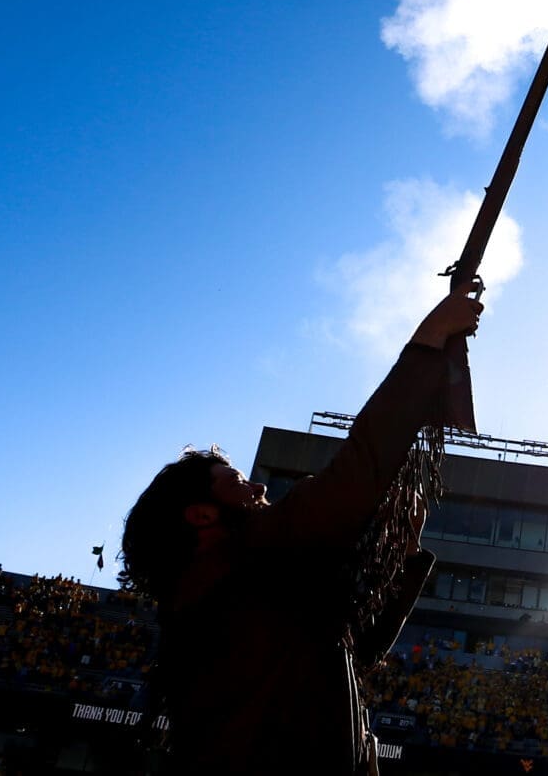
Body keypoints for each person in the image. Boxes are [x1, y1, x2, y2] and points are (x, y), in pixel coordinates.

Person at [120, 293, 480, 775]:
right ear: (203, 516)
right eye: (237, 483)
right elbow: (357, 471)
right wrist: (427, 341)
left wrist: (408, 551)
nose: (259, 487)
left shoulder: (235, 586)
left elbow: (354, 649)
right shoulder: (248, 557)